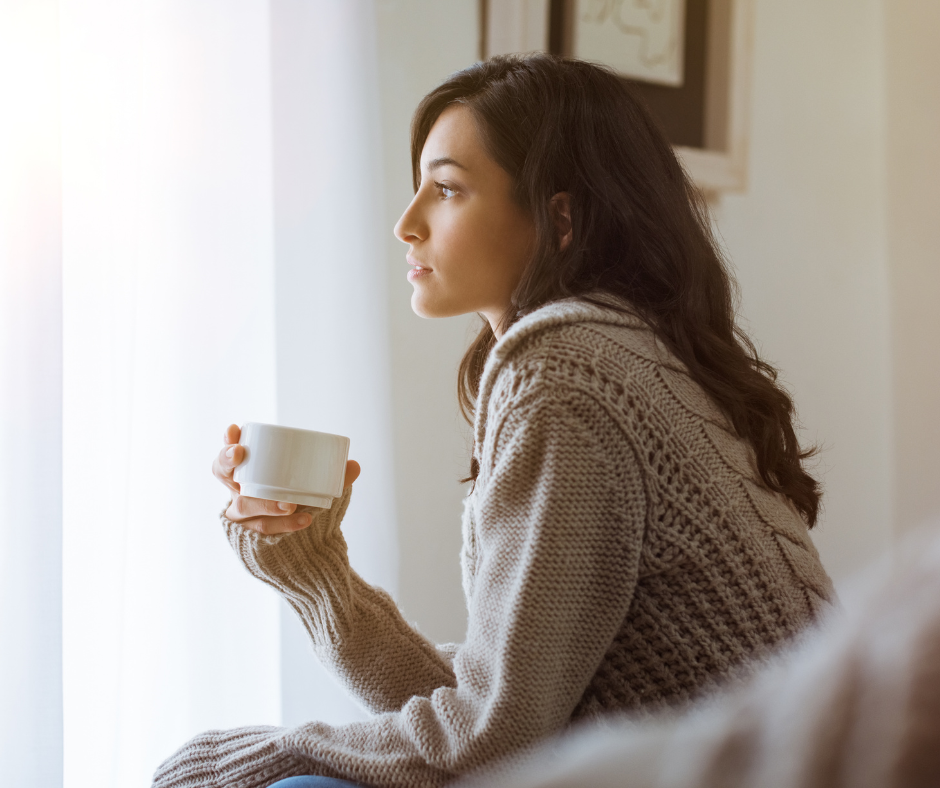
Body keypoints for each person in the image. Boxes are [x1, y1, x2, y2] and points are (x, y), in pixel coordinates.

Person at [153, 54, 834, 788]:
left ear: (559, 218)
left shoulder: (569, 371)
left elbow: (492, 740)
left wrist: (275, 752)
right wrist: (314, 572)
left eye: (445, 189)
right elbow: (503, 710)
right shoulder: (619, 351)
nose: (405, 223)